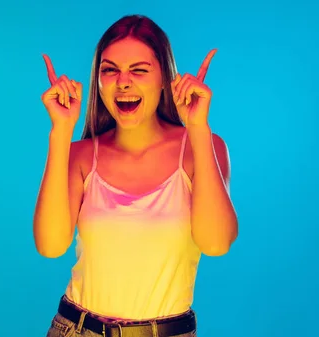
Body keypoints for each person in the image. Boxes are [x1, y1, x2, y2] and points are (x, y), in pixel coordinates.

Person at [32, 14, 239, 337]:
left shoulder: (203, 147)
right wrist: (60, 131)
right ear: (97, 79)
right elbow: (50, 245)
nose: (123, 82)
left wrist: (197, 128)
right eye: (109, 70)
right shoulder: (81, 155)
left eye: (139, 70)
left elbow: (216, 243)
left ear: (163, 79)